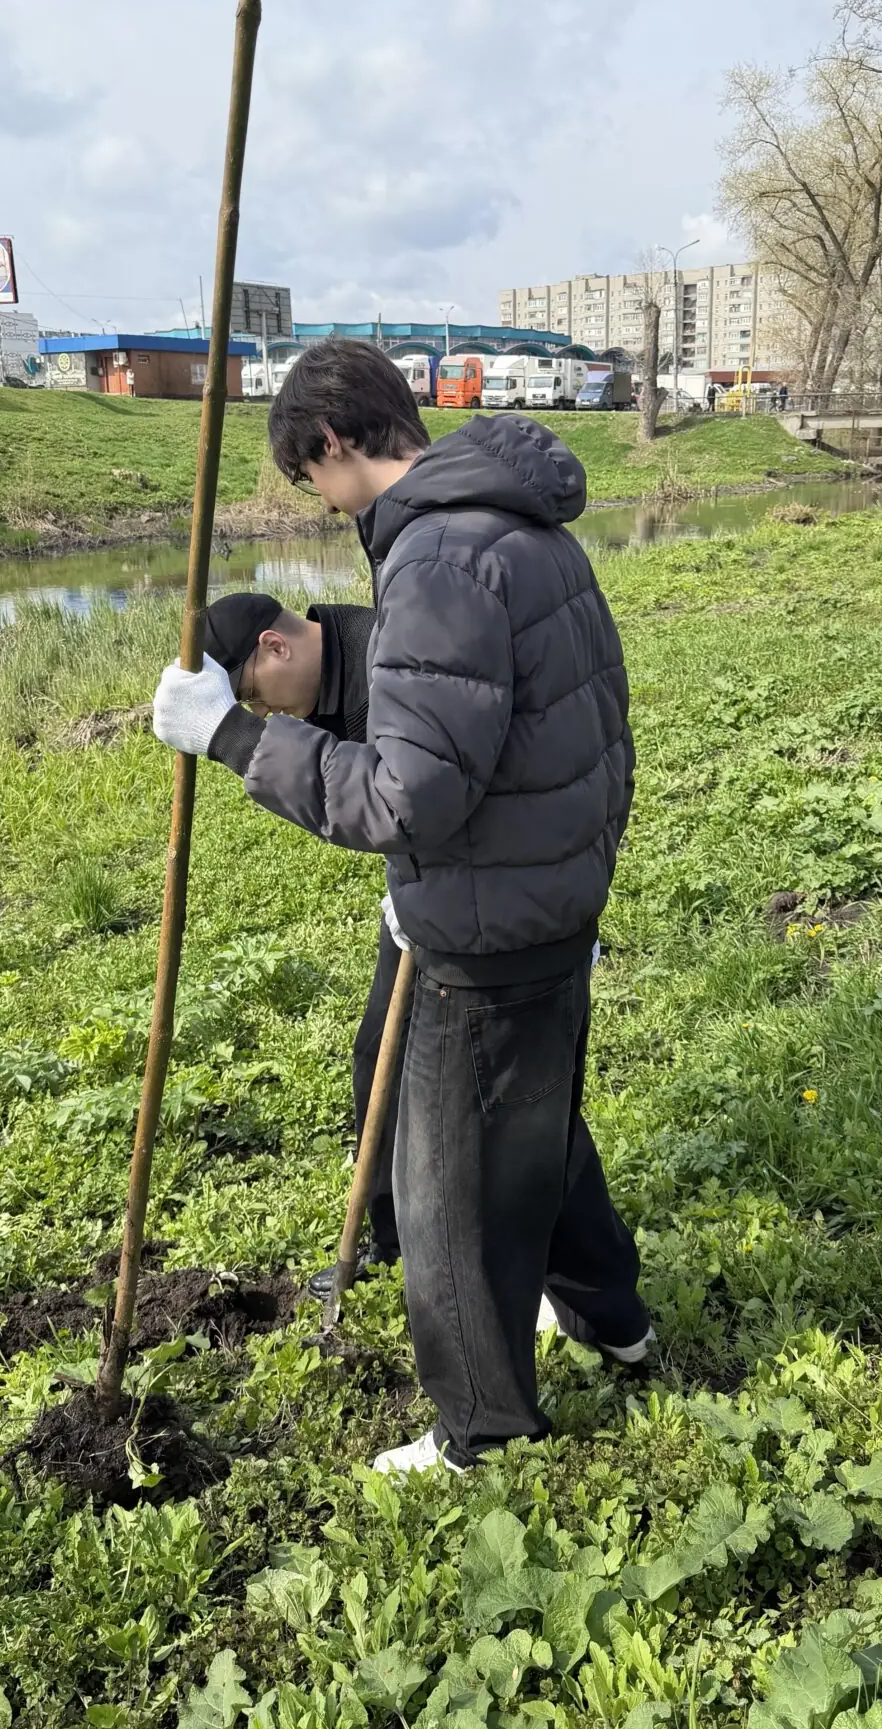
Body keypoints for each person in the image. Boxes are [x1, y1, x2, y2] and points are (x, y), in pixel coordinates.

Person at [152, 342, 651, 1476]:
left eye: (307, 478)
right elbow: (551, 726)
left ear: (333, 445)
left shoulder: (435, 557)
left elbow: (406, 795)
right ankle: (614, 1320)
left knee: (448, 1183)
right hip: (551, 892)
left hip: (488, 923)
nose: (319, 503)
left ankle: (481, 1430)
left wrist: (234, 737)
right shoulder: (520, 524)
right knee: (536, 1132)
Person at [200, 590, 403, 1269]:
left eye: (255, 697)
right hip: (422, 887)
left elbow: (392, 802)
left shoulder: (385, 662)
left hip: (479, 887)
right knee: (380, 1055)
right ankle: (392, 1238)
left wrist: (240, 740)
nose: (263, 713)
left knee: (488, 1083)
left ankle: (567, 1272)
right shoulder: (332, 670)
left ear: (275, 646)